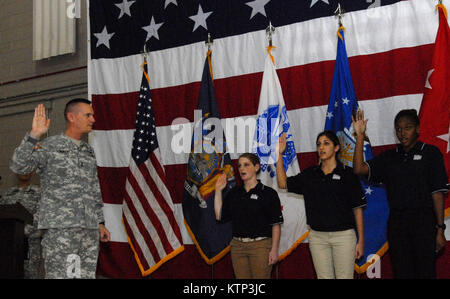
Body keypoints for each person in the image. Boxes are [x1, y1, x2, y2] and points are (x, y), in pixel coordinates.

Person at [10, 99, 110, 279]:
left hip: (88, 229)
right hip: (61, 228)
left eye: (93, 115)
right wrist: (34, 135)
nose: (93, 119)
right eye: (88, 115)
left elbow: (93, 187)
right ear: (72, 117)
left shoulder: (88, 151)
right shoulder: (50, 146)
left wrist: (100, 221)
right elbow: (19, 167)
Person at [352, 109, 448, 279]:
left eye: (407, 128)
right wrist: (360, 136)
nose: (402, 133)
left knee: (426, 273)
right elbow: (359, 168)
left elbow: (437, 194)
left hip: (424, 222)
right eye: (398, 129)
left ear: (417, 129)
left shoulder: (431, 154)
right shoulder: (390, 157)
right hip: (397, 224)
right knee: (402, 273)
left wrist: (440, 229)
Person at [276, 130, 366, 279]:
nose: (321, 148)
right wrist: (279, 154)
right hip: (317, 237)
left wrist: (361, 240)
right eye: (318, 144)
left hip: (343, 236)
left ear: (336, 148)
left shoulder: (348, 174)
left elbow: (357, 209)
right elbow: (282, 183)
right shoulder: (311, 174)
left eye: (326, 143)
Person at [214, 153, 283, 279]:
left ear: (256, 167)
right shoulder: (234, 193)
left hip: (260, 246)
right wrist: (218, 191)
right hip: (237, 247)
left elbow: (276, 225)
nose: (241, 169)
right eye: (239, 166)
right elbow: (220, 216)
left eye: (246, 165)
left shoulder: (268, 193)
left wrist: (274, 250)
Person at [1, 171, 44, 279]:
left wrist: (20, 232)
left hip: (31, 246)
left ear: (33, 172)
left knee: (30, 275)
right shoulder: (7, 194)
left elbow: (42, 219)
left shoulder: (39, 193)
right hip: (8, 247)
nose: (25, 172)